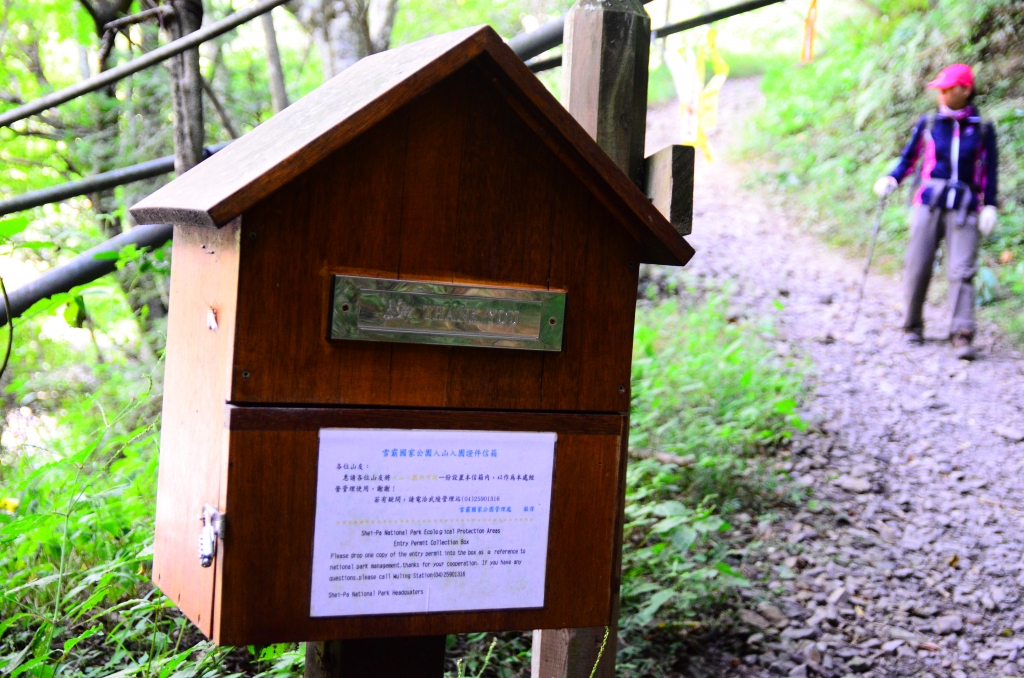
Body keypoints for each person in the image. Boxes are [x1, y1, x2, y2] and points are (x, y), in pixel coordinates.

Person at [874, 63, 998, 360]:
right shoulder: (929, 123)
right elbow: (909, 158)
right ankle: (912, 326)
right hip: (928, 202)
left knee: (962, 269)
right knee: (917, 264)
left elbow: (990, 170)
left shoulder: (982, 128)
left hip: (965, 205)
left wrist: (990, 204)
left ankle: (962, 332)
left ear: (965, 90)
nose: (941, 94)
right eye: (939, 89)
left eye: (947, 89)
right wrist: (892, 178)